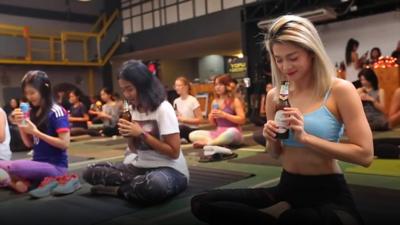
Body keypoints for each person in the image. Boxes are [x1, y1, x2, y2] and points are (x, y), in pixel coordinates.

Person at [191, 15, 373, 225]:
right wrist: (272, 138)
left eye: (293, 57)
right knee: (202, 202)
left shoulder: (339, 90)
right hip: (287, 187)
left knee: (293, 219)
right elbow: (275, 153)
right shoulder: (278, 95)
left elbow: (365, 155)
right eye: (278, 59)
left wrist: (306, 138)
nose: (285, 66)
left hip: (329, 193)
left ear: (311, 53)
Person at [83, 60, 189, 205]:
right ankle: (135, 187)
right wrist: (129, 136)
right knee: (90, 171)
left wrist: (141, 134)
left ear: (143, 86)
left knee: (154, 186)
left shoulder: (163, 108)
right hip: (140, 167)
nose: (126, 94)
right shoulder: (133, 110)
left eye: (130, 89)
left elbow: (174, 152)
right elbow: (134, 150)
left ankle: (119, 190)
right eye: (123, 90)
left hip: (170, 169)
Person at [0, 70, 70, 194]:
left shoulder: (57, 111)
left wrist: (36, 132)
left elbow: (64, 144)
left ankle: (16, 181)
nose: (29, 97)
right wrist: (21, 124)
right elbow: (29, 144)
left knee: (13, 167)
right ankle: (20, 183)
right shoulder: (33, 112)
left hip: (56, 167)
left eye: (32, 92)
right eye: (26, 93)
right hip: (38, 163)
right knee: (9, 166)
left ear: (44, 91)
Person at [189, 74, 245, 161]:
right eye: (215, 85)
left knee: (231, 132)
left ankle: (208, 143)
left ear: (227, 86)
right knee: (192, 135)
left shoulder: (234, 101)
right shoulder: (215, 102)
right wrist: (211, 117)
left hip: (233, 133)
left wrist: (225, 115)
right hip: (218, 132)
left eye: (220, 84)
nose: (217, 87)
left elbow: (242, 120)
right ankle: (215, 142)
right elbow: (213, 124)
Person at [173, 76, 203, 143]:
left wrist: (184, 120)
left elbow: (200, 120)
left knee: (181, 128)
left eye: (179, 85)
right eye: (175, 86)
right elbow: (177, 117)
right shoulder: (176, 101)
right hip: (180, 128)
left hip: (192, 129)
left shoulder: (193, 100)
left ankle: (181, 139)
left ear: (186, 87)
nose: (176, 88)